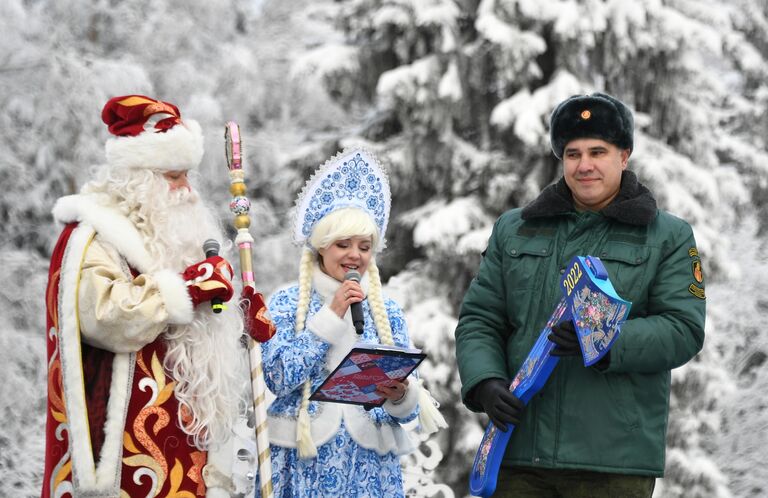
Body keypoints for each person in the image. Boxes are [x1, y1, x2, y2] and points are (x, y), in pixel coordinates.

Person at [454, 93, 706, 497]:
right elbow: (480, 319)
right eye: (572, 153)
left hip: (612, 462)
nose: (584, 165)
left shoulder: (668, 236)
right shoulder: (514, 229)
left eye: (598, 151)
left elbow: (683, 329)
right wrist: (485, 381)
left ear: (624, 155)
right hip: (519, 452)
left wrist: (607, 341)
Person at [42, 95, 274, 498]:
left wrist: (236, 316)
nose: (187, 190)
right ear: (136, 178)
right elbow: (105, 315)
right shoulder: (92, 238)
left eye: (187, 175)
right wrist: (186, 289)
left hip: (186, 443)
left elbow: (195, 331)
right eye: (173, 177)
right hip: (125, 453)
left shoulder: (174, 234)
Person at [257, 148, 446, 497]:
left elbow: (408, 409)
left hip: (369, 467)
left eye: (364, 246)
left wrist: (401, 394)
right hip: (304, 461)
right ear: (321, 247)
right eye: (343, 244)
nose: (354, 255)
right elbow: (277, 376)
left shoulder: (386, 310)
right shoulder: (286, 302)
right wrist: (330, 315)